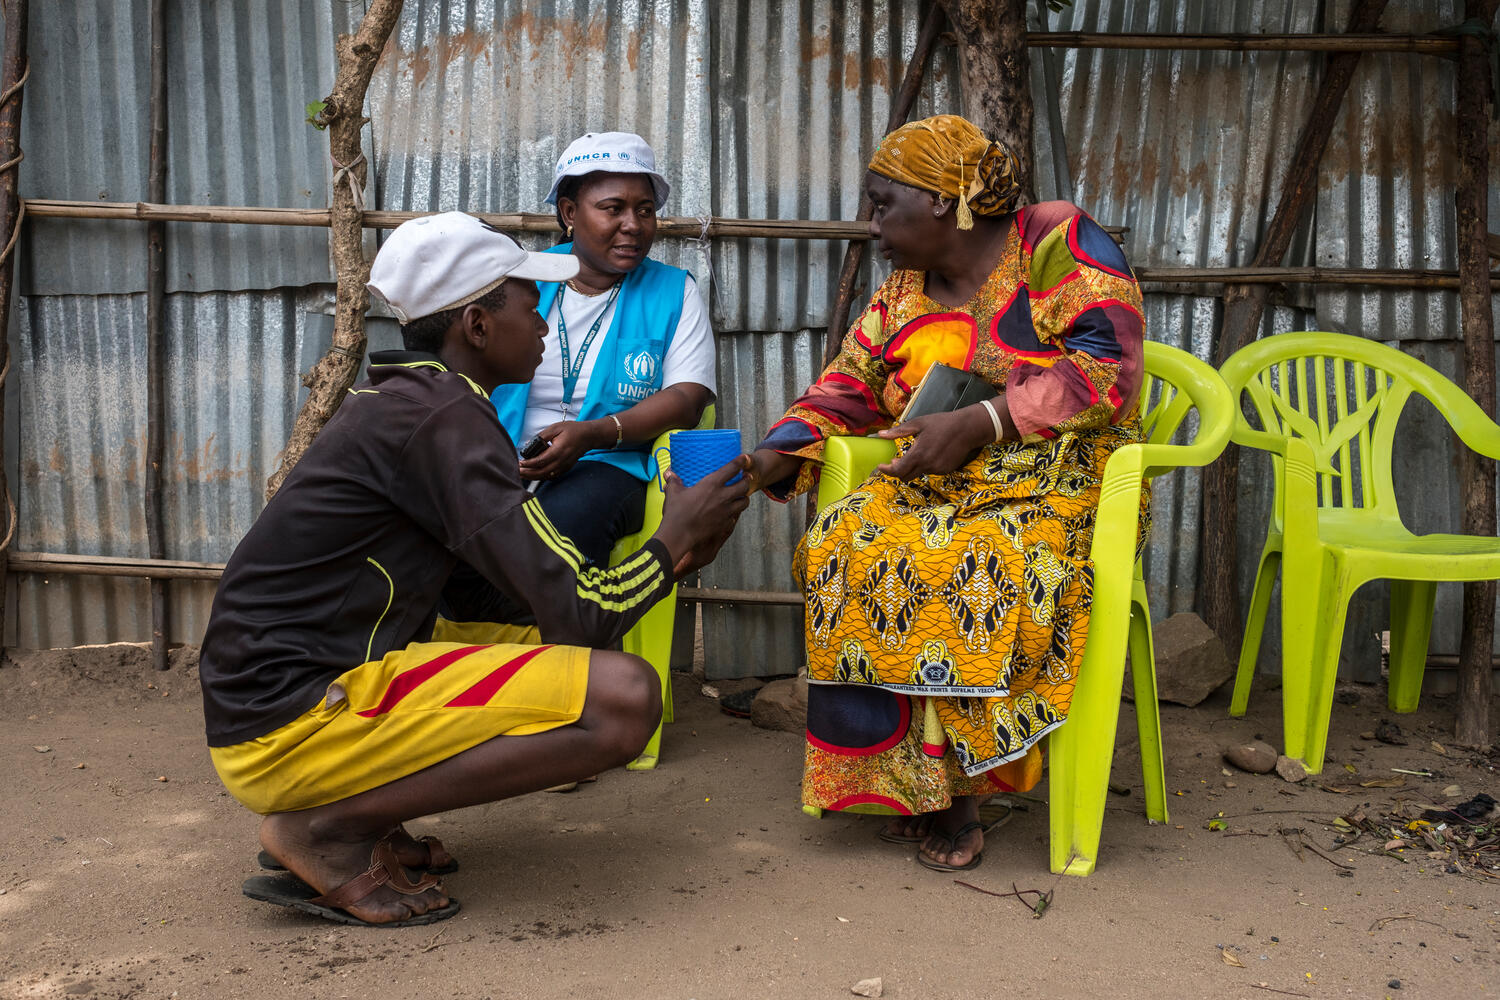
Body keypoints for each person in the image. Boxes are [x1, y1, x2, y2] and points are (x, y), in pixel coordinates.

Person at [199, 212, 748, 927]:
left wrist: (650, 569)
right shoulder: (443, 420)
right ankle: (326, 830)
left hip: (273, 704)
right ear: (477, 325)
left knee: (582, 663)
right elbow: (581, 609)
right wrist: (673, 545)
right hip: (289, 720)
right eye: (531, 304)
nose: (547, 324)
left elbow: (484, 597)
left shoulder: (420, 405)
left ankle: (357, 814)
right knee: (623, 698)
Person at [744, 116, 1148, 873]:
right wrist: (764, 463)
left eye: (881, 204)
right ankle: (908, 780)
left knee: (975, 560)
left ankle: (963, 785)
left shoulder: (1056, 240)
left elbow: (1109, 368)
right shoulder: (899, 295)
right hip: (936, 483)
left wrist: (985, 419)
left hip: (1062, 481)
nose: (872, 226)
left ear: (940, 202)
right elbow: (844, 391)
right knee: (843, 540)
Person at [442, 131, 716, 625]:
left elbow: (689, 397)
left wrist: (593, 433)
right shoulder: (525, 283)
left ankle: (545, 649)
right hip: (504, 458)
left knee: (563, 524)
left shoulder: (674, 291)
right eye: (613, 208)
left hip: (611, 464)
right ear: (570, 213)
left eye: (645, 210)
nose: (632, 225)